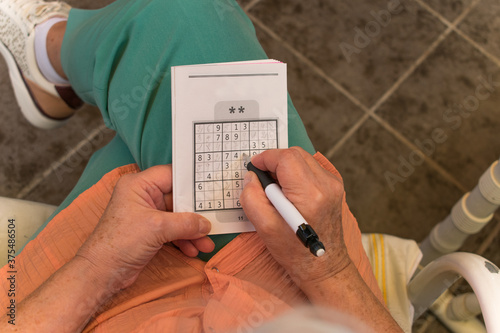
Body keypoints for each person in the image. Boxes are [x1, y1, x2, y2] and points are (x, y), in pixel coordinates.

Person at [0, 0, 403, 332]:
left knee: (175, 19)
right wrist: (330, 272)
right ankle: (59, 65)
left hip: (97, 313)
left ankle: (48, 53)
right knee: (184, 48)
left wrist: (99, 266)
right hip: (311, 299)